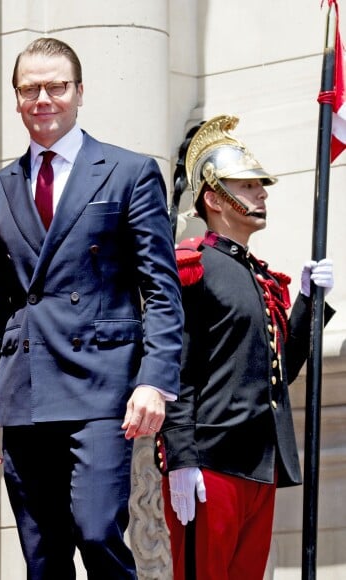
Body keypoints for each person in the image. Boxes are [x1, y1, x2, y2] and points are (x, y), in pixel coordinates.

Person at [0, 37, 183, 579]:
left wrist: (154, 380)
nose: (43, 98)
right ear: (16, 100)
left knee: (95, 528)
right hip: (26, 391)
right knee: (44, 559)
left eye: (56, 86)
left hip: (102, 385)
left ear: (79, 92)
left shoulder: (128, 171)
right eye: (29, 89)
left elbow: (160, 289)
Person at [157, 114, 335, 579]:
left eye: (260, 185)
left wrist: (308, 302)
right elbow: (177, 369)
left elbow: (281, 369)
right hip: (209, 463)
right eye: (250, 185)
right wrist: (180, 458)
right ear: (214, 198)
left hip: (260, 464)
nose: (262, 193)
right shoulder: (194, 266)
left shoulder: (259, 276)